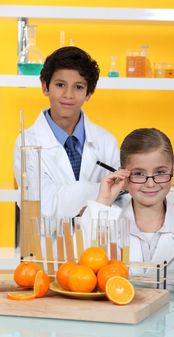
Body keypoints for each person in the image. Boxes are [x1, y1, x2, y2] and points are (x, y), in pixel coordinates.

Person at [81, 128, 174, 270]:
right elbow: (84, 268)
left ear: (173, 169)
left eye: (160, 172)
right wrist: (104, 200)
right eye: (138, 173)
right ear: (123, 174)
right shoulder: (104, 226)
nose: (150, 183)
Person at [14, 46, 119, 218]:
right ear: (45, 86)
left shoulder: (107, 141)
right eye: (60, 85)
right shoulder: (27, 143)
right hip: (49, 244)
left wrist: (110, 195)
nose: (68, 95)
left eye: (78, 87)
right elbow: (44, 206)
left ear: (89, 93)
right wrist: (102, 191)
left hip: (97, 243)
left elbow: (119, 203)